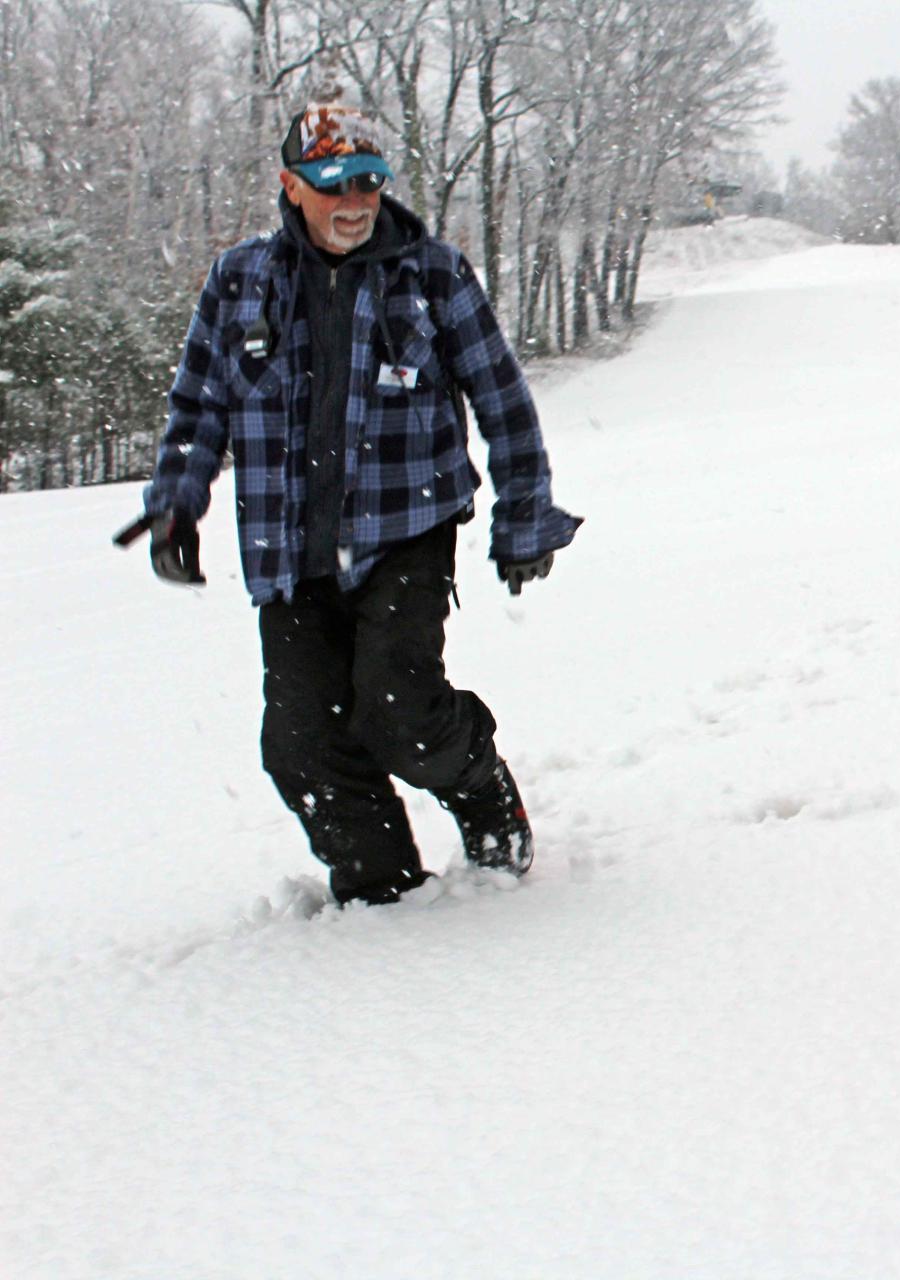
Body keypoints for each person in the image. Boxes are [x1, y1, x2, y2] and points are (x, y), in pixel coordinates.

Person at [121, 103, 582, 905]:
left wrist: (524, 517)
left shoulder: (431, 274)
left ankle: (483, 792)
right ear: (292, 185)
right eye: (333, 183)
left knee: (400, 712)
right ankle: (380, 889)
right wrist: (175, 505)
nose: (355, 201)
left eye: (369, 181)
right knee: (301, 741)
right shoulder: (240, 282)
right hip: (289, 547)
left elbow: (503, 401)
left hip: (406, 530)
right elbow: (199, 407)